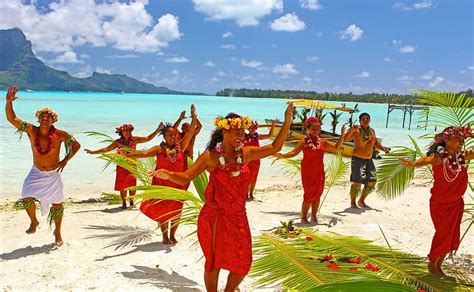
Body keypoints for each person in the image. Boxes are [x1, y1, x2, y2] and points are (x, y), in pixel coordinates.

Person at [149, 103, 294, 292]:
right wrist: (168, 175)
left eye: (242, 131)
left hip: (239, 217)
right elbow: (186, 176)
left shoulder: (246, 153)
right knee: (214, 262)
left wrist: (288, 120)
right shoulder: (211, 157)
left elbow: (276, 146)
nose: (241, 135)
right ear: (225, 132)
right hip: (216, 216)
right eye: (236, 131)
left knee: (243, 262)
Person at [5, 86, 81, 246]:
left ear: (54, 120)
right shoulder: (31, 130)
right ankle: (34, 222)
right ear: (38, 118)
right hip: (36, 171)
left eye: (49, 117)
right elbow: (12, 119)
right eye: (42, 116)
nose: (45, 118)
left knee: (57, 204)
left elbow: (76, 145)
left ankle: (58, 232)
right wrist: (8, 102)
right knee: (26, 196)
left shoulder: (60, 134)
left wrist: (66, 160)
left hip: (54, 173)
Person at [400, 126, 473, 276]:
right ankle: (432, 263)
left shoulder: (462, 156)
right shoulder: (439, 157)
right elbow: (426, 159)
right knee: (443, 234)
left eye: (463, 140)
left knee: (451, 235)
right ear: (447, 141)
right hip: (440, 204)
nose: (461, 142)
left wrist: (471, 135)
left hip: (456, 204)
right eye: (458, 140)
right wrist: (414, 164)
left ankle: (438, 265)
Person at [124, 105, 198, 245]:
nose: (173, 137)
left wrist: (194, 117)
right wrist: (128, 154)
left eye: (175, 134)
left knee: (177, 211)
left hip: (177, 184)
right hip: (161, 184)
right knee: (163, 211)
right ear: (164, 137)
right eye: (170, 135)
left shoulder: (181, 147)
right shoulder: (159, 149)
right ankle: (165, 236)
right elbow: (144, 153)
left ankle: (172, 235)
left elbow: (190, 133)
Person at [274, 117, 346, 223]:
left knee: (317, 195)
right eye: (313, 127)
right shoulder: (303, 142)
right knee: (308, 195)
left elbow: (336, 148)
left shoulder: (322, 141)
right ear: (307, 128)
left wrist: (342, 135)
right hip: (308, 173)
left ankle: (314, 216)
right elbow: (293, 153)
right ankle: (303, 217)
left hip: (319, 172)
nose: (316, 129)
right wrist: (282, 155)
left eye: (317, 127)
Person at [85, 123, 163, 209]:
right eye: (126, 131)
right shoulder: (118, 142)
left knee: (132, 184)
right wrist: (93, 152)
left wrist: (158, 130)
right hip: (121, 165)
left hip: (132, 165)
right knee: (122, 185)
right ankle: (124, 203)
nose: (128, 133)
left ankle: (132, 202)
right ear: (121, 132)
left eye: (130, 131)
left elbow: (148, 138)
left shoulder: (134, 140)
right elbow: (106, 149)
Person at [344, 112, 390, 208]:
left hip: (369, 160)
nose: (365, 120)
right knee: (357, 182)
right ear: (360, 120)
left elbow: (375, 143)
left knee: (372, 182)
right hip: (358, 159)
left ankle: (361, 201)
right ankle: (353, 202)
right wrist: (351, 130)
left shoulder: (371, 131)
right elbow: (345, 139)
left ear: (369, 120)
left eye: (367, 118)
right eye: (363, 119)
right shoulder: (356, 130)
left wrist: (383, 149)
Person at [243, 119, 277, 200]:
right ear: (248, 129)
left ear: (256, 129)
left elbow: (269, 135)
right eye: (251, 128)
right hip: (247, 160)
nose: (252, 129)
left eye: (254, 128)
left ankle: (251, 194)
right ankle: (246, 194)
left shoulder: (257, 136)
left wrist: (272, 126)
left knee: (254, 177)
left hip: (256, 160)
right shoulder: (243, 136)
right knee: (246, 177)